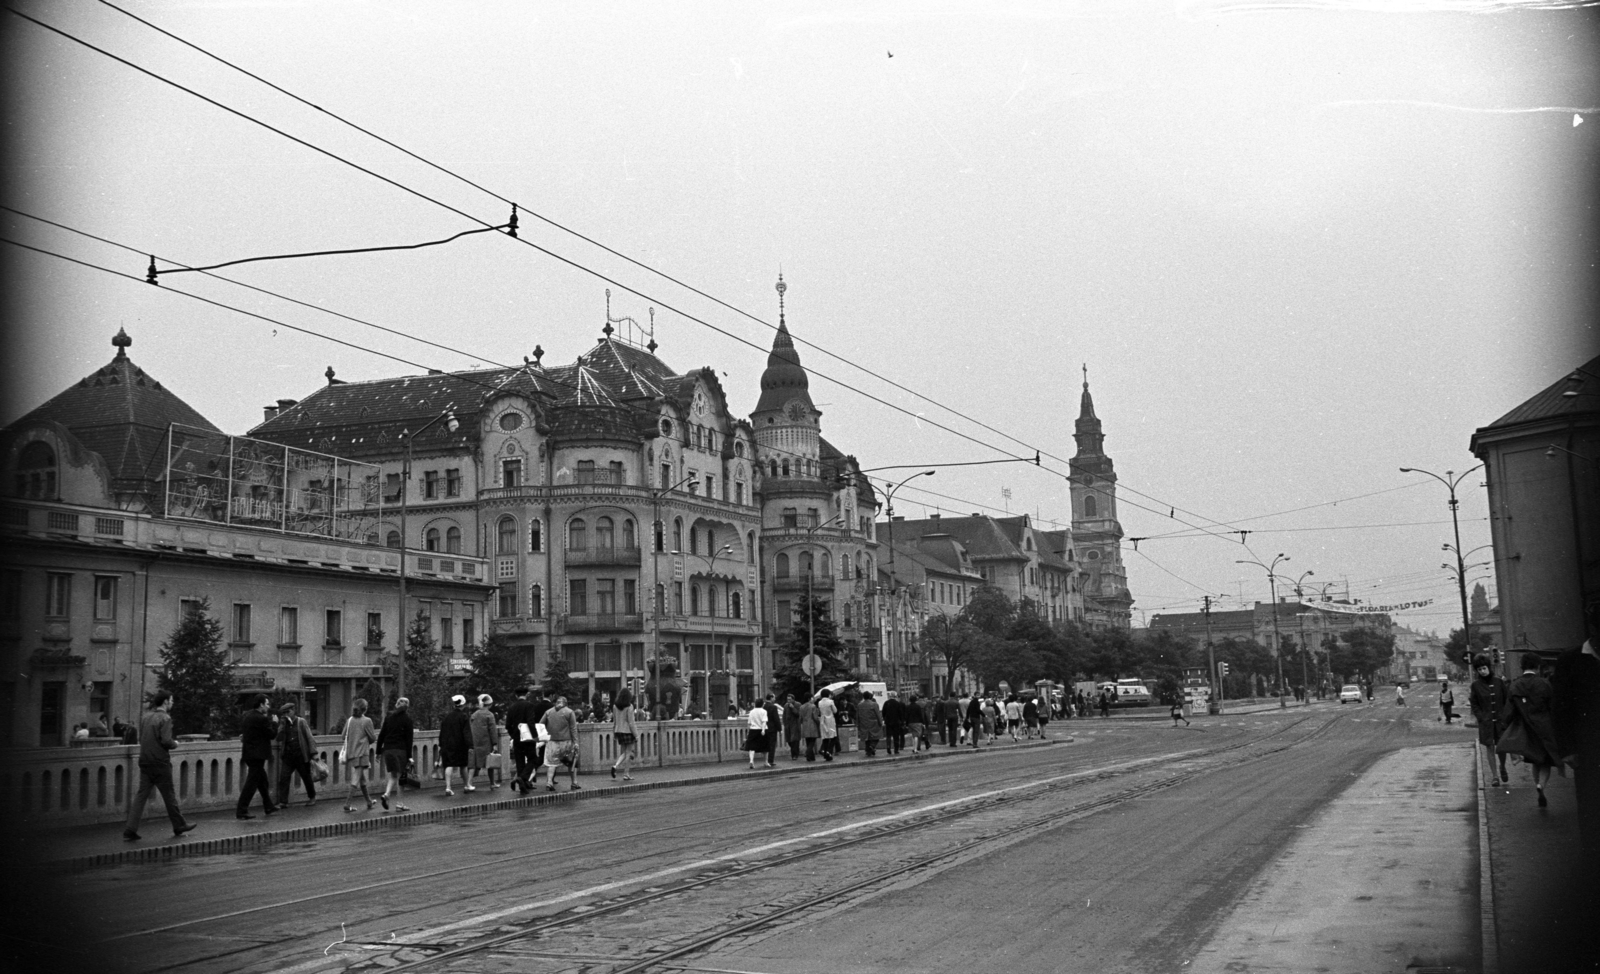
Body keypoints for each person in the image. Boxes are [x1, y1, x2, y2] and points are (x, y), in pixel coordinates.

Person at [1552, 599, 1600, 864]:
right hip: (1588, 748)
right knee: (1592, 803)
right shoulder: (1571, 660)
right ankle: (1593, 855)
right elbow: (1560, 708)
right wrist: (1567, 749)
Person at [122, 691, 196, 841]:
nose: (172, 703)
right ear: (165, 702)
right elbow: (166, 741)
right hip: (160, 762)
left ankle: (130, 828)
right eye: (171, 700)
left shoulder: (146, 717)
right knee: (169, 795)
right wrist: (175, 744)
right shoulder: (165, 718)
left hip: (145, 761)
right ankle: (179, 825)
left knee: (141, 796)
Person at [1499, 656, 1562, 807]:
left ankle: (1537, 786)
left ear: (1522, 667)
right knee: (1545, 761)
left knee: (1535, 760)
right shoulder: (1544, 684)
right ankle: (1541, 785)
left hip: (1527, 729)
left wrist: (1503, 726)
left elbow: (1509, 710)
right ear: (1537, 667)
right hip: (1544, 727)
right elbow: (1553, 707)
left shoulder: (1515, 685)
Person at [235, 694, 278, 819]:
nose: (268, 706)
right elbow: (271, 735)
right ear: (261, 704)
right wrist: (275, 723)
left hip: (249, 753)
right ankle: (242, 811)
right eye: (267, 704)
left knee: (262, 781)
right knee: (252, 783)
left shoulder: (247, 715)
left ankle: (268, 806)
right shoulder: (261, 719)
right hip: (257, 755)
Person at [1470, 655, 1510, 786]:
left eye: (1484, 668)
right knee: (1489, 747)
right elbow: (1474, 704)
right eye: (1479, 669)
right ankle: (1494, 776)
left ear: (1488, 667)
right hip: (1486, 722)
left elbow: (1507, 700)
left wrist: (1505, 717)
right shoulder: (1475, 686)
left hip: (1500, 721)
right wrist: (1480, 717)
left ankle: (1502, 767)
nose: (1482, 671)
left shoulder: (1499, 682)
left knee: (1502, 747)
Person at [274, 702, 318, 808]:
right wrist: (281, 726)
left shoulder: (301, 722)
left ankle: (312, 797)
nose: (286, 714)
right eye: (284, 713)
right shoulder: (283, 723)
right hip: (288, 756)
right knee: (284, 777)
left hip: (301, 755)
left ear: (293, 711)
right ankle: (283, 802)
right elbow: (278, 738)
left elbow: (309, 737)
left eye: (288, 712)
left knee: (306, 777)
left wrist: (314, 753)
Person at [375, 696, 413, 812]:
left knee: (393, 775)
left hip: (388, 750)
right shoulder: (407, 719)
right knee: (402, 777)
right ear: (407, 707)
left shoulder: (389, 717)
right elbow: (409, 740)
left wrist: (378, 752)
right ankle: (399, 804)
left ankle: (386, 794)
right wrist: (410, 756)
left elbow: (381, 735)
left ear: (396, 704)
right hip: (401, 750)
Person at [342, 698, 378, 811]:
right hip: (362, 753)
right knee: (357, 778)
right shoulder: (367, 721)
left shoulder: (350, 720)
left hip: (352, 753)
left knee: (362, 779)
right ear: (365, 709)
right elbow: (373, 738)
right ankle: (347, 804)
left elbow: (343, 736)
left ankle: (369, 802)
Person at [542, 694, 581, 791]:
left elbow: (540, 724)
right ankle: (574, 783)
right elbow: (573, 728)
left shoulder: (548, 712)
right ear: (566, 704)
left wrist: (547, 734)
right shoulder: (569, 712)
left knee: (552, 764)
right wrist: (576, 742)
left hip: (552, 742)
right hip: (566, 742)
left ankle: (549, 783)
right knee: (571, 763)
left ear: (556, 703)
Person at [505, 686, 539, 793]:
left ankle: (522, 787)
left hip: (516, 738)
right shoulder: (529, 705)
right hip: (528, 738)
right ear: (527, 694)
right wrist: (535, 736)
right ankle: (523, 778)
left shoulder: (512, 707)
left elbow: (507, 725)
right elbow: (530, 722)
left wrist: (513, 734)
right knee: (533, 759)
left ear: (516, 695)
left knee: (520, 762)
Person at [438, 694, 472, 796]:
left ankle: (448, 787)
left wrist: (441, 744)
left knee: (448, 765)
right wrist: (470, 745)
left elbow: (442, 732)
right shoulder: (464, 716)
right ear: (463, 704)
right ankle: (466, 785)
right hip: (460, 745)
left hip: (447, 745)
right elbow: (467, 732)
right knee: (463, 765)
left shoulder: (447, 717)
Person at [469, 694, 501, 790]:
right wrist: (495, 743)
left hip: (475, 742)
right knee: (490, 763)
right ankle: (492, 783)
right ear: (489, 704)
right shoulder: (489, 715)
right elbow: (492, 730)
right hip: (486, 743)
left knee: (473, 764)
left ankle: (469, 783)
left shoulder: (474, 714)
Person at [611, 687, 639, 780]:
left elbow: (614, 721)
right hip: (628, 731)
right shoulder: (629, 706)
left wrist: (614, 733)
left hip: (619, 731)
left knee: (624, 752)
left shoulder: (615, 706)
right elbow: (631, 722)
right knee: (628, 753)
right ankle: (626, 774)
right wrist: (636, 735)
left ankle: (615, 766)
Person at [856, 690, 884, 757]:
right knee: (877, 736)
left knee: (867, 738)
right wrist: (881, 722)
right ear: (870, 697)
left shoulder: (860, 705)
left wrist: (858, 724)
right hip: (873, 723)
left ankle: (868, 751)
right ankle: (872, 746)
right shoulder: (874, 704)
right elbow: (878, 715)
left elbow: (857, 716)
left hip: (864, 723)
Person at [744, 697, 770, 768]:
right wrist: (763, 730)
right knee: (765, 747)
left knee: (751, 747)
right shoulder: (764, 711)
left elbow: (749, 723)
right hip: (762, 730)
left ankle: (751, 761)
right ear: (762, 704)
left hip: (753, 730)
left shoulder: (751, 712)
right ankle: (766, 762)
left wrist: (748, 732)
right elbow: (764, 721)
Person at [799, 694, 822, 761]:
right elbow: (815, 717)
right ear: (809, 698)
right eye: (812, 698)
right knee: (812, 741)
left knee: (808, 741)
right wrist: (818, 722)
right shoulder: (813, 706)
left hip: (805, 725)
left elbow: (800, 718)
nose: (813, 699)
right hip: (812, 725)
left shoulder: (801, 707)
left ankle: (811, 757)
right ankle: (808, 753)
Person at [816, 689, 838, 760]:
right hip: (830, 720)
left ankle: (825, 754)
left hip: (823, 721)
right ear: (828, 694)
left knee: (825, 738)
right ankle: (829, 751)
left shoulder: (819, 702)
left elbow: (820, 712)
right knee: (833, 737)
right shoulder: (831, 701)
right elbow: (835, 711)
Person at [762, 693, 782, 768]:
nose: (775, 699)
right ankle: (771, 760)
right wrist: (779, 729)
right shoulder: (773, 707)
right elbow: (776, 719)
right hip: (772, 729)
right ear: (770, 698)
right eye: (774, 698)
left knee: (766, 744)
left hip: (765, 728)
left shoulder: (764, 706)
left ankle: (766, 760)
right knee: (772, 745)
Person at [882, 691, 904, 755]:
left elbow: (883, 712)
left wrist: (885, 718)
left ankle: (888, 747)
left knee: (888, 735)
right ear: (895, 696)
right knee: (896, 736)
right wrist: (902, 721)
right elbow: (900, 713)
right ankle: (896, 749)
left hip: (888, 722)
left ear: (890, 696)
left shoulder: (886, 703)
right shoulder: (897, 703)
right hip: (896, 722)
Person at [782, 693, 802, 760]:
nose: (788, 701)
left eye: (790, 699)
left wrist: (793, 708)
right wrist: (784, 723)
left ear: (793, 699)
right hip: (788, 725)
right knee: (789, 741)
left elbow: (798, 714)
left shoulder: (798, 704)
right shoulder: (785, 705)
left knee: (794, 740)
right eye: (787, 699)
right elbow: (784, 715)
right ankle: (795, 752)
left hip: (795, 725)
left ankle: (794, 755)